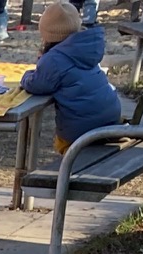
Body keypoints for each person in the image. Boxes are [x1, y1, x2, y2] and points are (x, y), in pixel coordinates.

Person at [22, 1, 124, 153]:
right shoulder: (87, 49)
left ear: (46, 33)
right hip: (110, 117)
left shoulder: (54, 59)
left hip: (81, 129)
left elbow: (38, 85)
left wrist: (26, 76)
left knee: (61, 142)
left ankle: (66, 162)